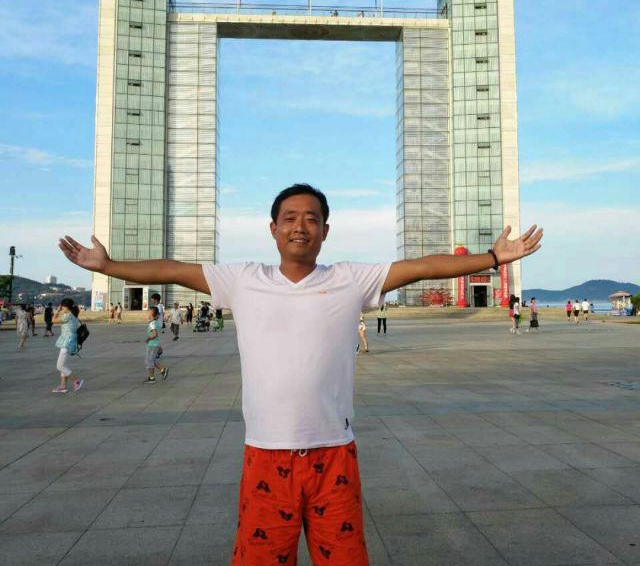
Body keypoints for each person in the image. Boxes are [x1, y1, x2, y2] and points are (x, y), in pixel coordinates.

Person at [59, 182, 542, 565]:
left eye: (312, 218)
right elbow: (172, 270)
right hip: (265, 454)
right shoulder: (243, 280)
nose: (300, 226)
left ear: (325, 231)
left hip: (335, 454)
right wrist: (109, 266)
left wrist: (493, 258)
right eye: (290, 218)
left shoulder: (349, 279)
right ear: (273, 229)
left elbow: (419, 268)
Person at [51, 298, 84, 393]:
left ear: (66, 306)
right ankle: (62, 386)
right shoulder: (73, 316)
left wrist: (56, 312)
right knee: (63, 365)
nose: (61, 308)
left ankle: (76, 380)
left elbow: (53, 320)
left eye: (62, 306)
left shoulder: (68, 316)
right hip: (70, 342)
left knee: (60, 366)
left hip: (66, 342)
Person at [144, 306, 169, 383]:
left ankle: (152, 378)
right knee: (153, 360)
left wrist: (148, 339)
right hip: (156, 345)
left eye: (148, 312)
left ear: (151, 314)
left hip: (152, 345)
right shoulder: (156, 323)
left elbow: (155, 334)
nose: (147, 314)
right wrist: (159, 346)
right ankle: (163, 369)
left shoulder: (152, 323)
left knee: (149, 361)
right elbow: (157, 336)